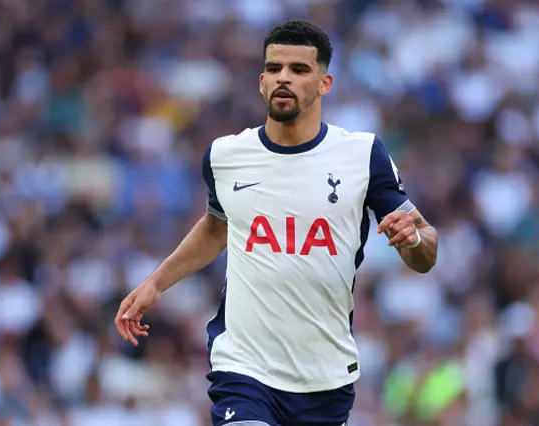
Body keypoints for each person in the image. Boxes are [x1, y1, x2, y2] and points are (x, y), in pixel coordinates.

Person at [115, 20, 439, 426]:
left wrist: (413, 240)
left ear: (325, 84)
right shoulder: (225, 156)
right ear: (262, 80)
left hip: (324, 374)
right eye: (275, 68)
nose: (284, 77)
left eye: (300, 70)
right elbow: (217, 227)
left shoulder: (362, 155)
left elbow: (426, 250)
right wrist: (154, 283)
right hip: (245, 367)